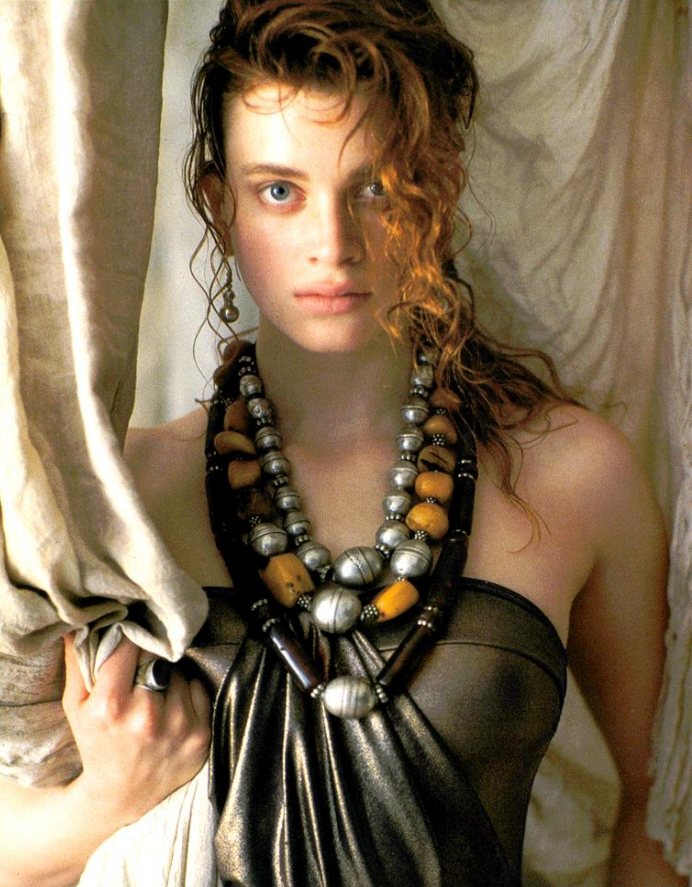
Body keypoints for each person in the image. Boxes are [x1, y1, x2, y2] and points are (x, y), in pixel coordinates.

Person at [0, 1, 684, 885]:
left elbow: (665, 815)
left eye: (377, 187)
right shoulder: (120, 495)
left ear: (441, 186)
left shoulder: (576, 479)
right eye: (279, 191)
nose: (334, 245)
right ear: (218, 203)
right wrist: (102, 801)